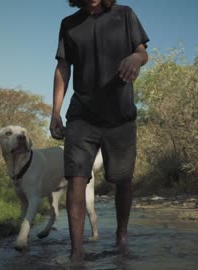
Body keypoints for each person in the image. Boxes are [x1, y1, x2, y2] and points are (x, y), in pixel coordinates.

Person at [49, 0, 149, 263]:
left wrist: (136, 57)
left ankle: (122, 235)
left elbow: (142, 51)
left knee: (122, 180)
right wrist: (55, 112)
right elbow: (63, 68)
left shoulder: (124, 15)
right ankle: (77, 252)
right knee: (76, 178)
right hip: (82, 116)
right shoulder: (69, 25)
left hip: (120, 116)